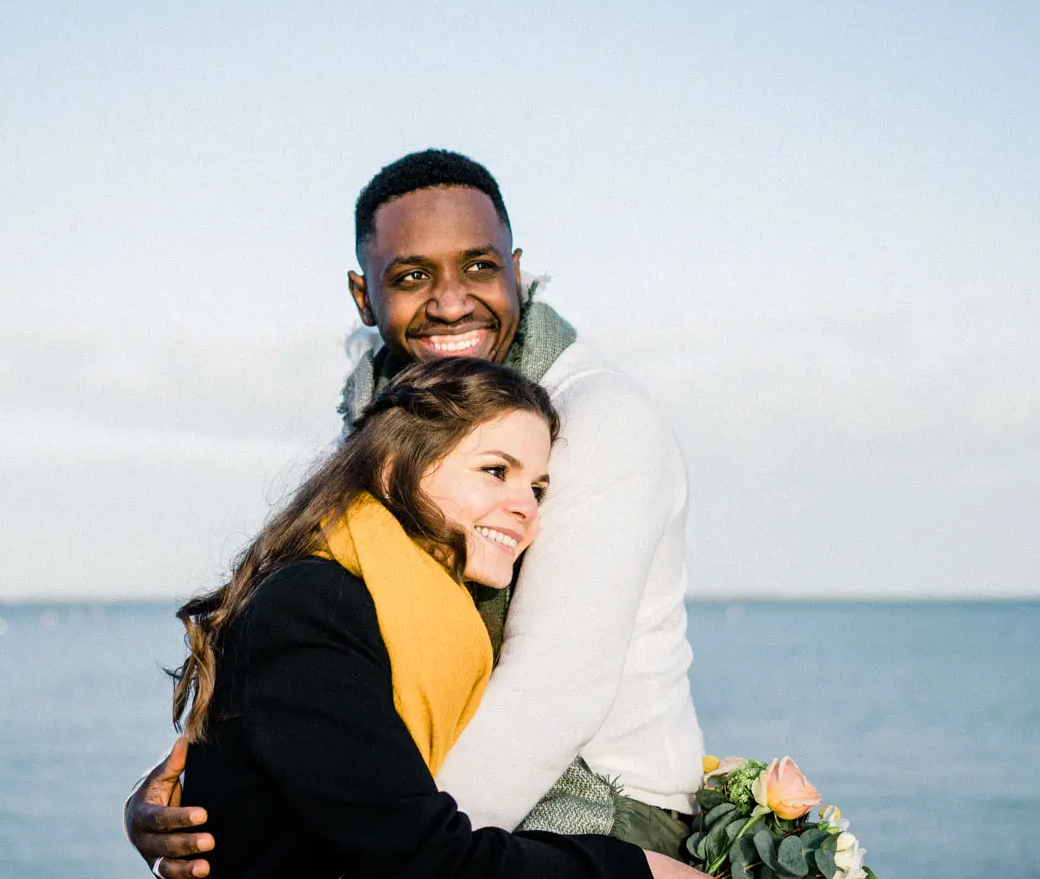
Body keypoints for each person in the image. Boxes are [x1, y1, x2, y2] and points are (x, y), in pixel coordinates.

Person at [129, 150, 704, 876]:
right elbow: (335, 653)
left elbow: (554, 690)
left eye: (479, 267)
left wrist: (386, 853)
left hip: (598, 809)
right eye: (410, 276)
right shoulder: (402, 415)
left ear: (517, 270)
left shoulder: (596, 417)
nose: (452, 301)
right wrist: (195, 787)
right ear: (363, 298)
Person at [168, 357, 696, 879]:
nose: (527, 509)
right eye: (495, 471)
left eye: (537, 488)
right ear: (395, 467)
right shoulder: (312, 607)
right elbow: (419, 859)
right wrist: (635, 870)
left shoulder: (395, 606)